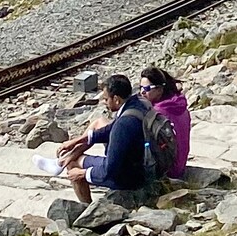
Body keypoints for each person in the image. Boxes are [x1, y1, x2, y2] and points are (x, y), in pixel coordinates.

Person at [57, 73, 148, 205]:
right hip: (142, 167)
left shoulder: (124, 124)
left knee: (73, 165)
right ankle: (65, 159)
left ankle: (88, 208)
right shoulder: (138, 104)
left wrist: (82, 174)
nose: (104, 102)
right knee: (76, 158)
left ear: (116, 99)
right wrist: (77, 141)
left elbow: (110, 170)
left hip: (130, 178)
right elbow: (109, 129)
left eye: (106, 99)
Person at [139, 65, 191, 179]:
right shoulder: (180, 105)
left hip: (167, 170)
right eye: (141, 87)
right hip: (180, 165)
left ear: (159, 89)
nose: (142, 92)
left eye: (147, 88)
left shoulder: (157, 113)